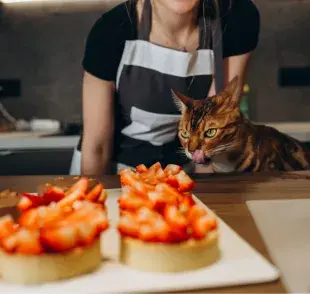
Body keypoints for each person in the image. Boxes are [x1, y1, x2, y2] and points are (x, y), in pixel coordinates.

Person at [69, 0, 260, 176]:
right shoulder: (109, 32)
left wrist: (205, 200)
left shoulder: (237, 18)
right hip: (114, 172)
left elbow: (216, 133)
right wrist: (96, 202)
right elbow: (97, 147)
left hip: (182, 171)